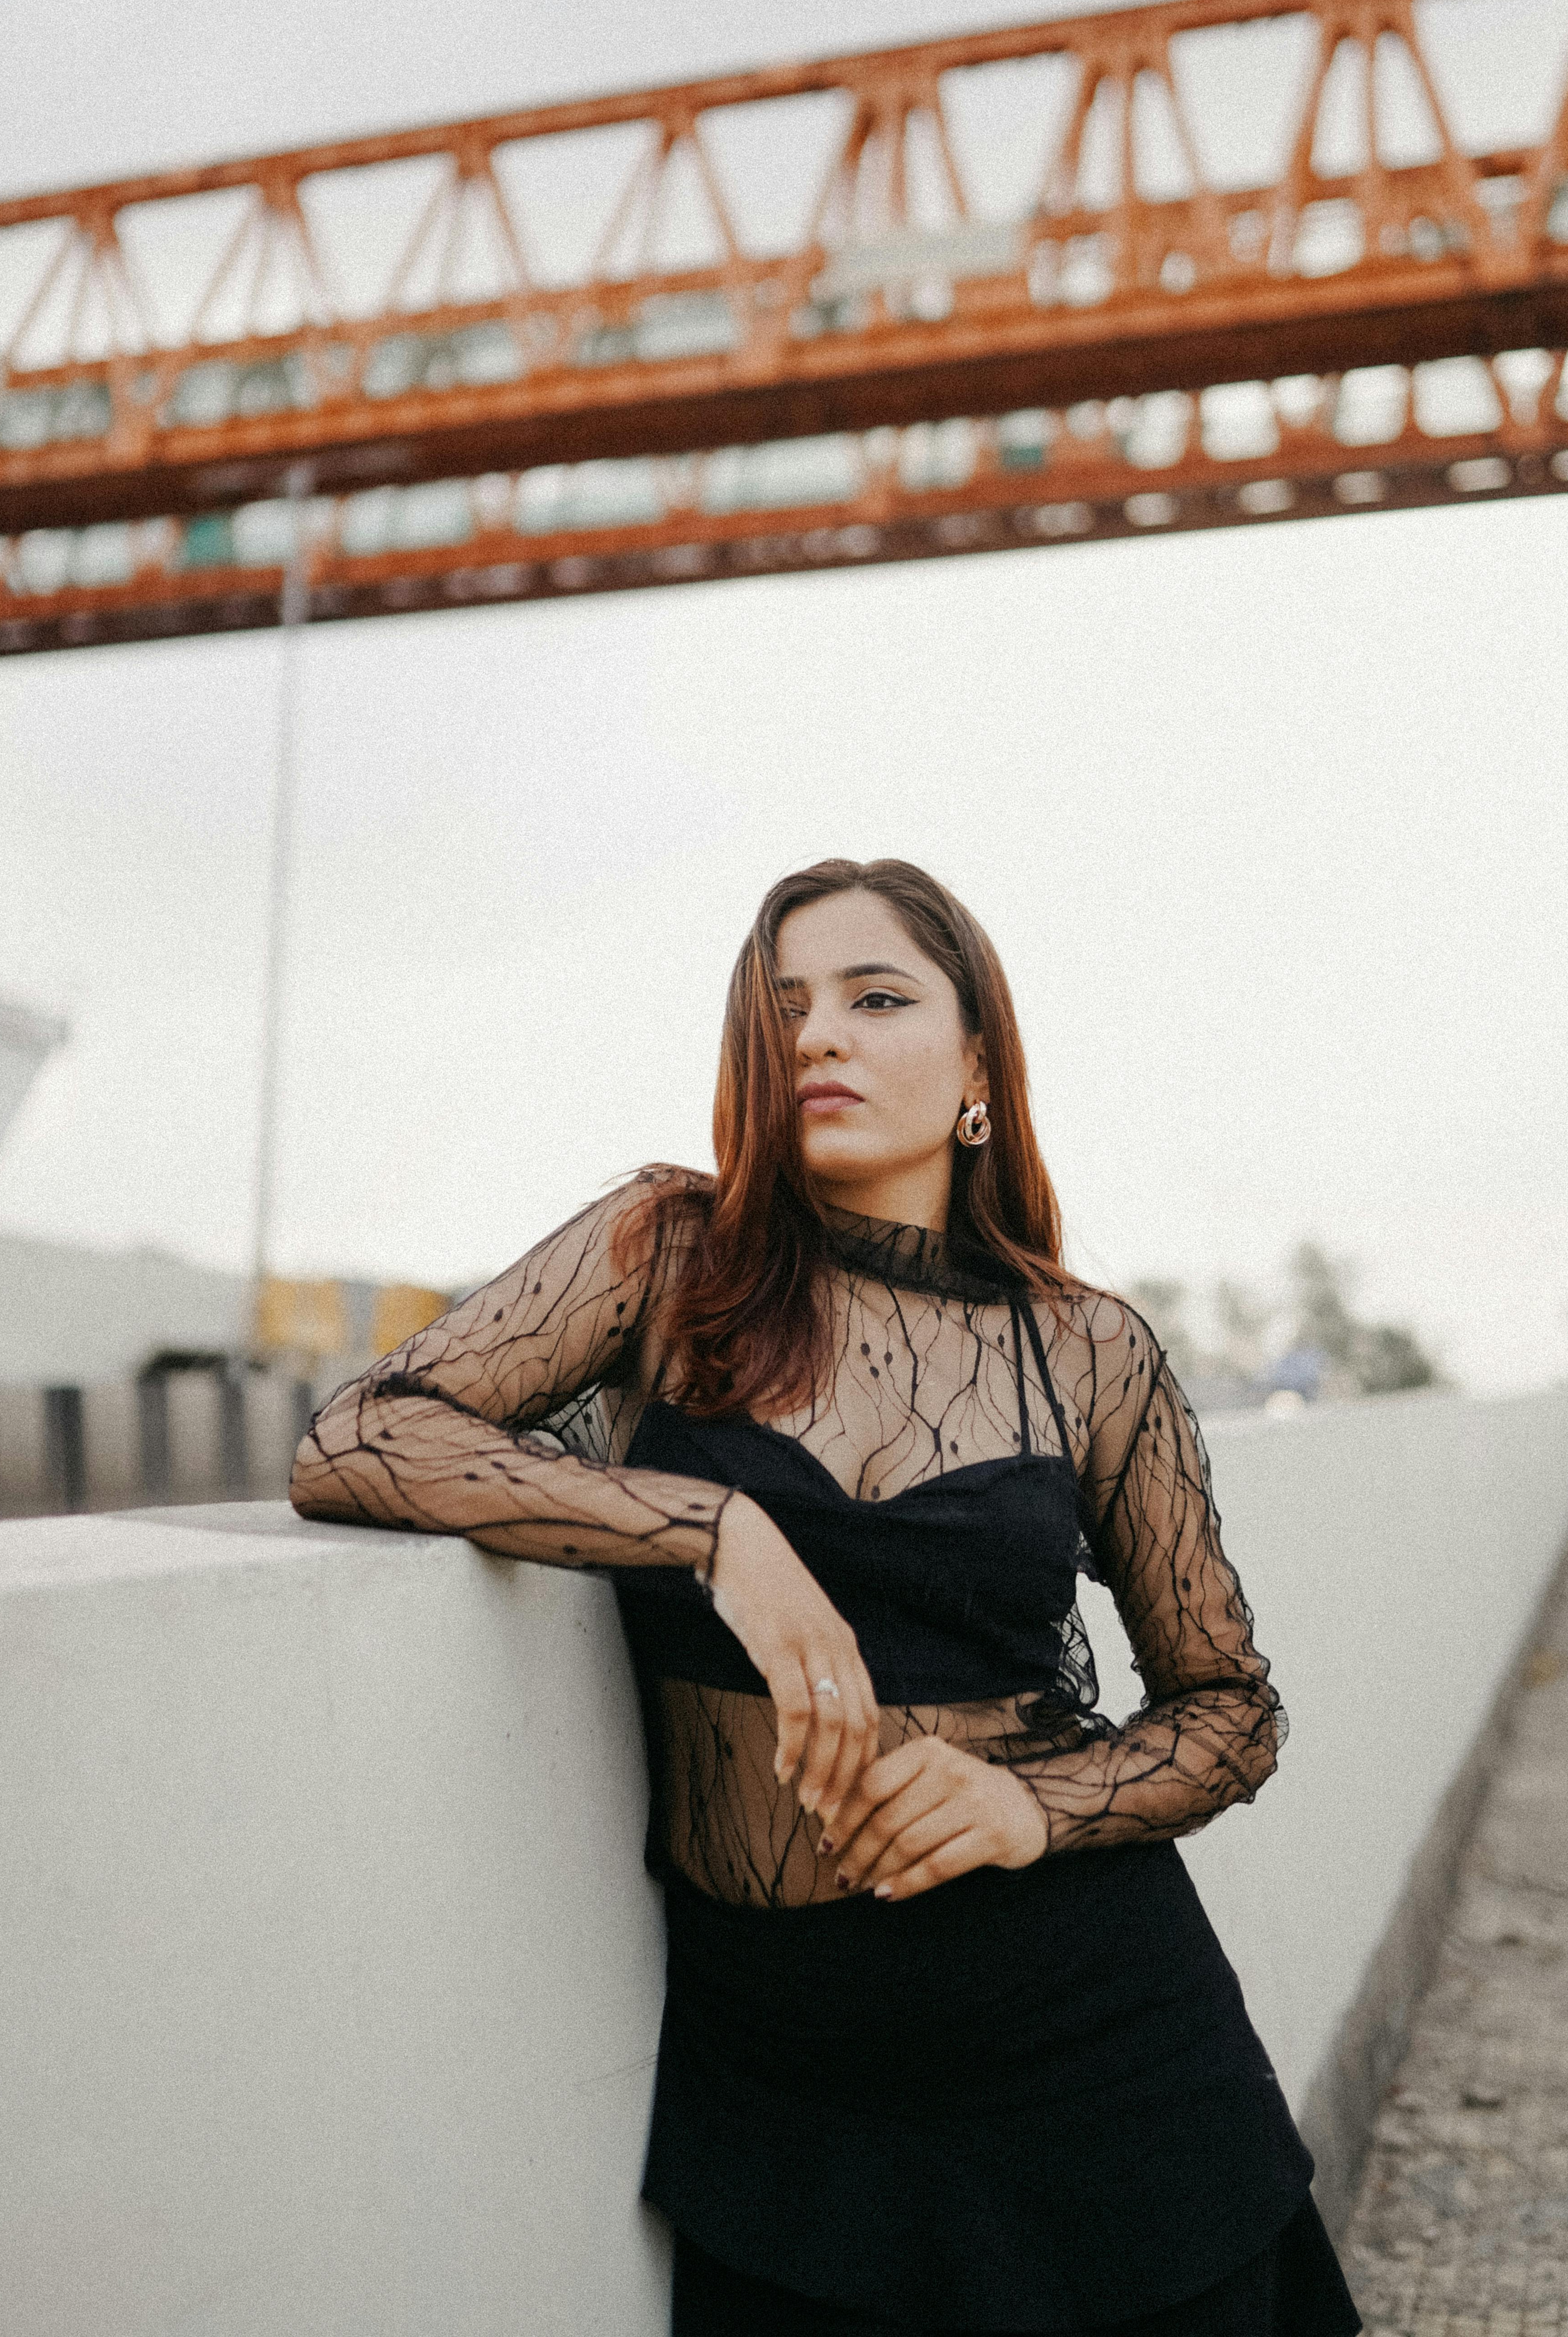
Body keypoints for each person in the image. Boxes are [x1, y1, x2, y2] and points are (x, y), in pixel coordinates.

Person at [291, 857, 1363, 2337]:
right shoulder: (667, 1256)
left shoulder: (1086, 1349)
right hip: (790, 2086)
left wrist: (1029, 1809)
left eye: (877, 998)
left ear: (978, 1059)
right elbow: (360, 1436)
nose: (818, 1038)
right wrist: (711, 1526)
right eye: (784, 1005)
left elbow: (1232, 1711)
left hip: (1101, 2050)